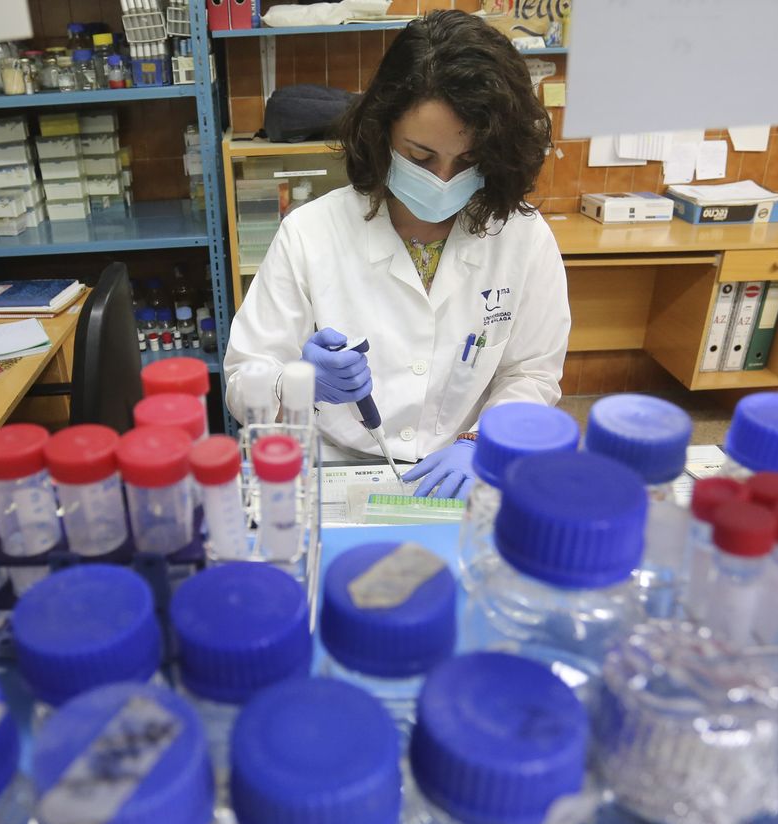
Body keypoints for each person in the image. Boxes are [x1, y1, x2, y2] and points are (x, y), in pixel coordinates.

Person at [223, 11, 570, 500]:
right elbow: (242, 379)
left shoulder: (523, 237)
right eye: (421, 156)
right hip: (335, 472)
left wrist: (480, 443)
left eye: (468, 160)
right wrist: (298, 383)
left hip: (466, 468)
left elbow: (530, 373)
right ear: (382, 132)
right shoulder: (310, 233)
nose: (444, 179)